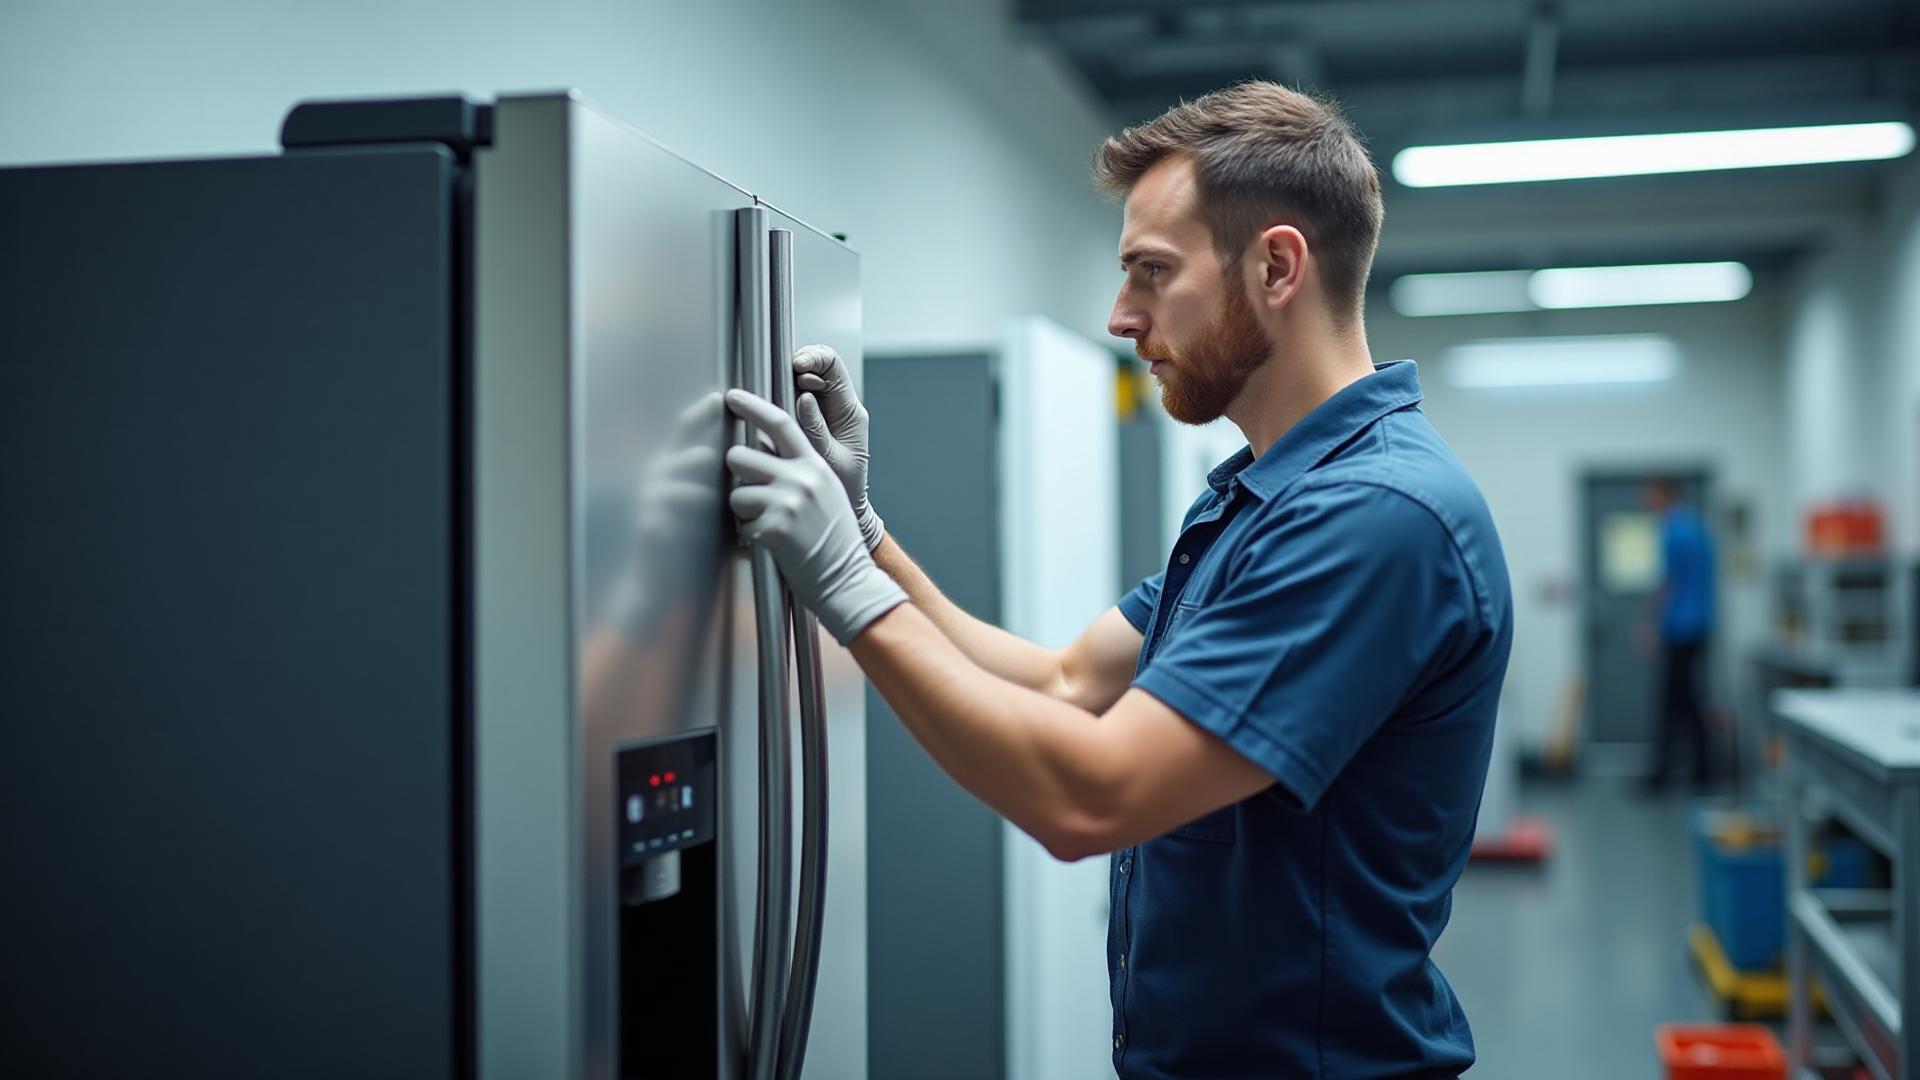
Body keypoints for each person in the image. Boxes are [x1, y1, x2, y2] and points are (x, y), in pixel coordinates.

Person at [723, 81, 1513, 1079]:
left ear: (1276, 266)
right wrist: (868, 534)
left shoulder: (1376, 518)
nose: (1120, 315)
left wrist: (841, 582)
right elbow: (1059, 682)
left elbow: (1092, 798)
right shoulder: (1256, 503)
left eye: (1152, 272)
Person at [1640, 477, 1716, 789]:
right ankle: (1701, 771)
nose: (1646, 501)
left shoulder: (1672, 530)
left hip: (1680, 627)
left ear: (1664, 493)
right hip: (1699, 626)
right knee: (1688, 699)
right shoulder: (1696, 527)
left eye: (1650, 493)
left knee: (1671, 701)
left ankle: (1662, 774)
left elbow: (1667, 583)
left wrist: (1650, 624)